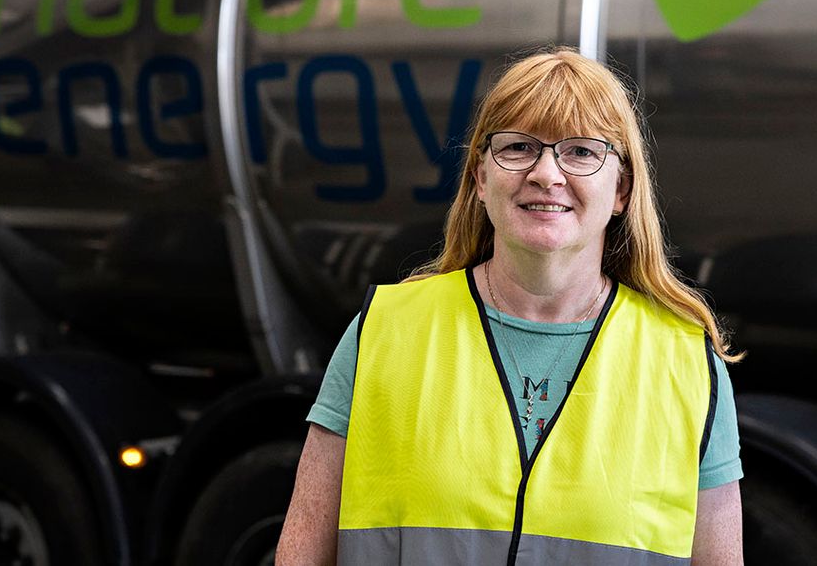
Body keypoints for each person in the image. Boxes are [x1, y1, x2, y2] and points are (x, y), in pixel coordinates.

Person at [276, 47, 744, 566]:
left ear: (622, 188)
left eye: (582, 152)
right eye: (519, 147)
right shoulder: (382, 333)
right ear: (479, 179)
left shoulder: (686, 362)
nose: (547, 173)